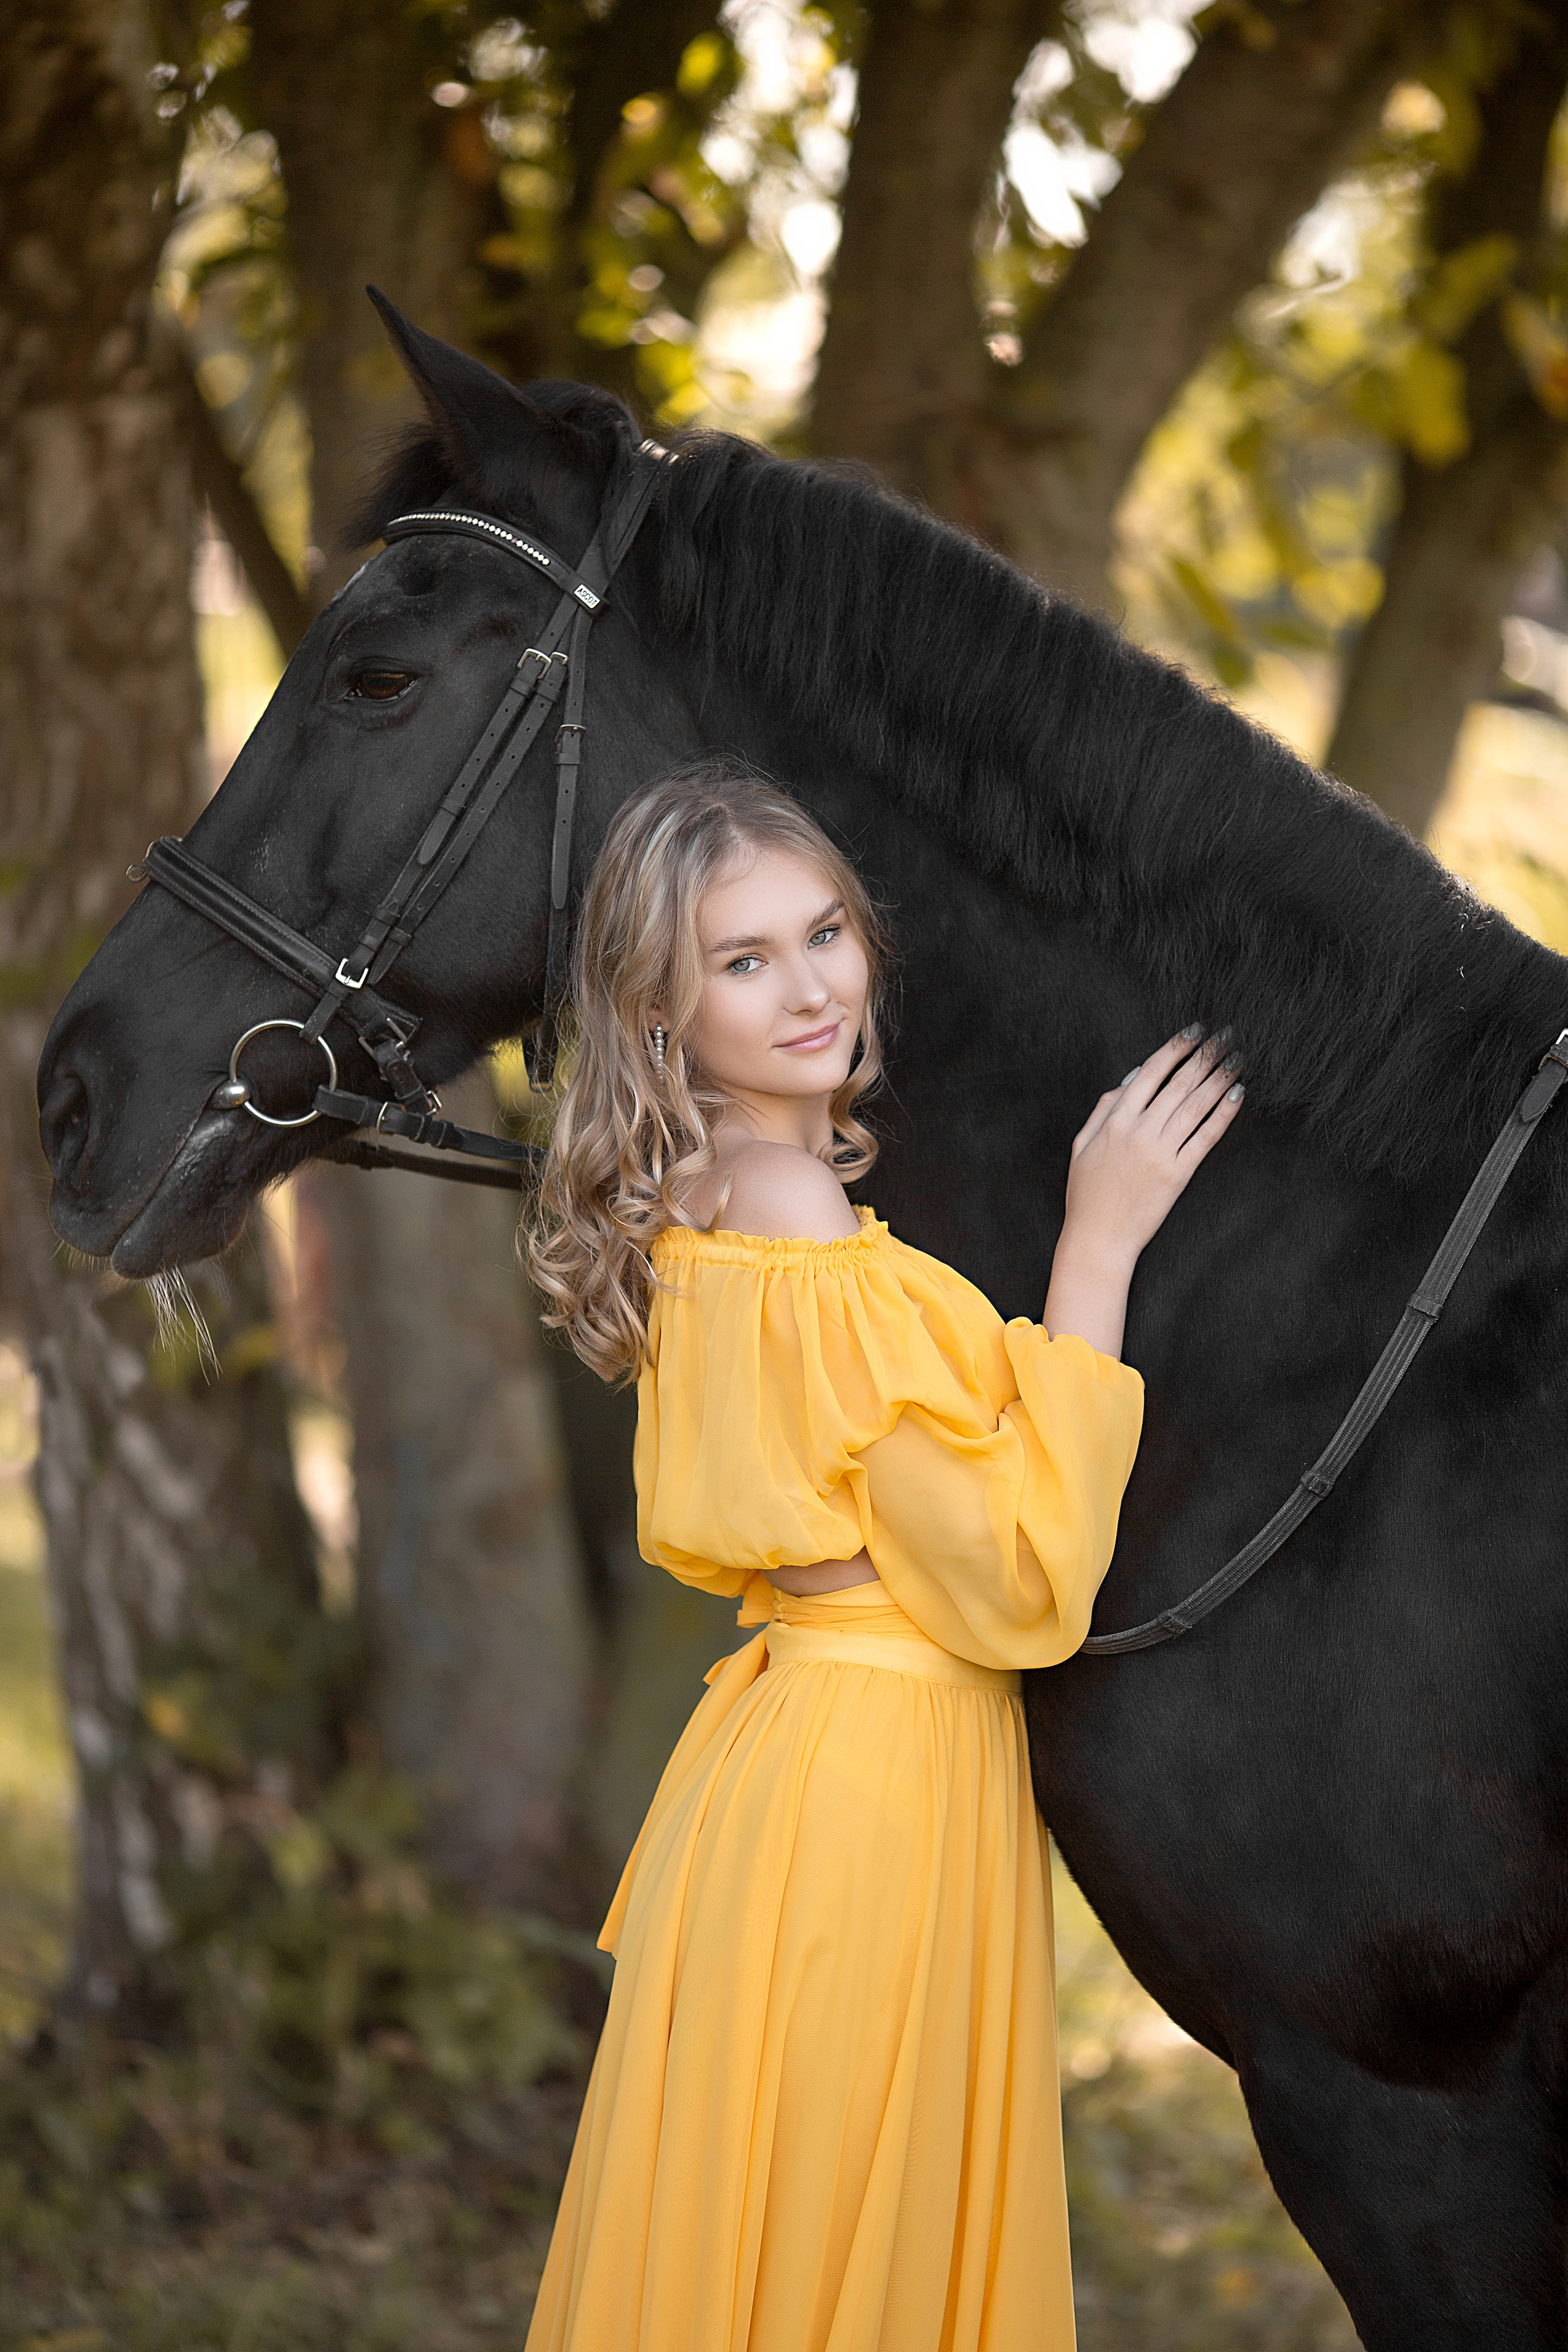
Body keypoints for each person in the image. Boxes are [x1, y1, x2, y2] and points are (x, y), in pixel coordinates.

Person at [523, 759, 1242, 2351]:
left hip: (807, 1766)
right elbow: (1017, 1578)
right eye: (743, 960)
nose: (808, 990)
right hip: (869, 1788)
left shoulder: (722, 1187)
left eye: (824, 932)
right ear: (658, 1011)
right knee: (847, 2246)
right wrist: (1101, 1237)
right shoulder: (786, 1211)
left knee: (784, 2241)